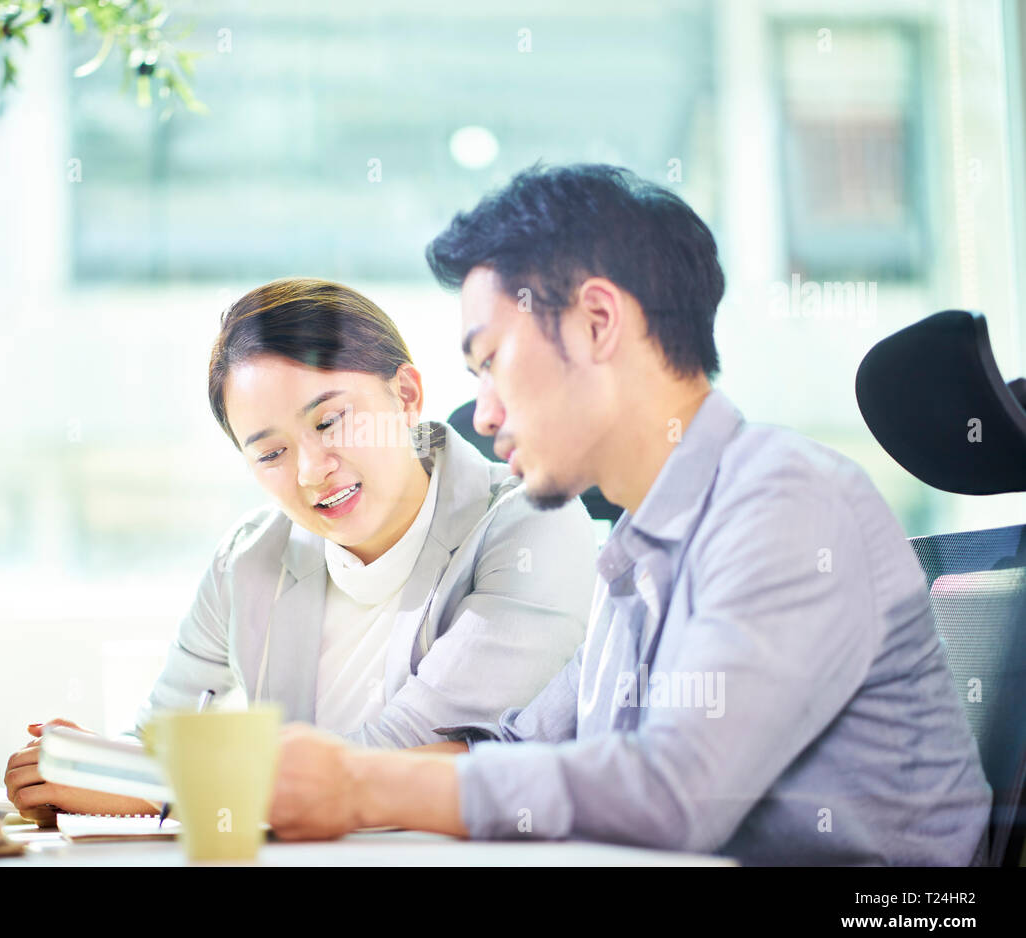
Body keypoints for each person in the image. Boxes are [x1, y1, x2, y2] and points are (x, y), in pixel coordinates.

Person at [266, 165, 993, 866]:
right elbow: (516, 753)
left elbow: (674, 793)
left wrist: (362, 788)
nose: (483, 417)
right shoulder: (642, 548)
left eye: (489, 361)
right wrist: (301, 781)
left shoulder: (789, 500)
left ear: (597, 322)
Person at [5, 277, 598, 821]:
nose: (312, 471)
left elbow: (407, 753)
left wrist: (151, 780)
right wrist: (80, 766)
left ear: (407, 394)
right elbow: (159, 741)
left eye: (330, 420)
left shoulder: (532, 525)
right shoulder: (249, 559)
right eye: (269, 453)